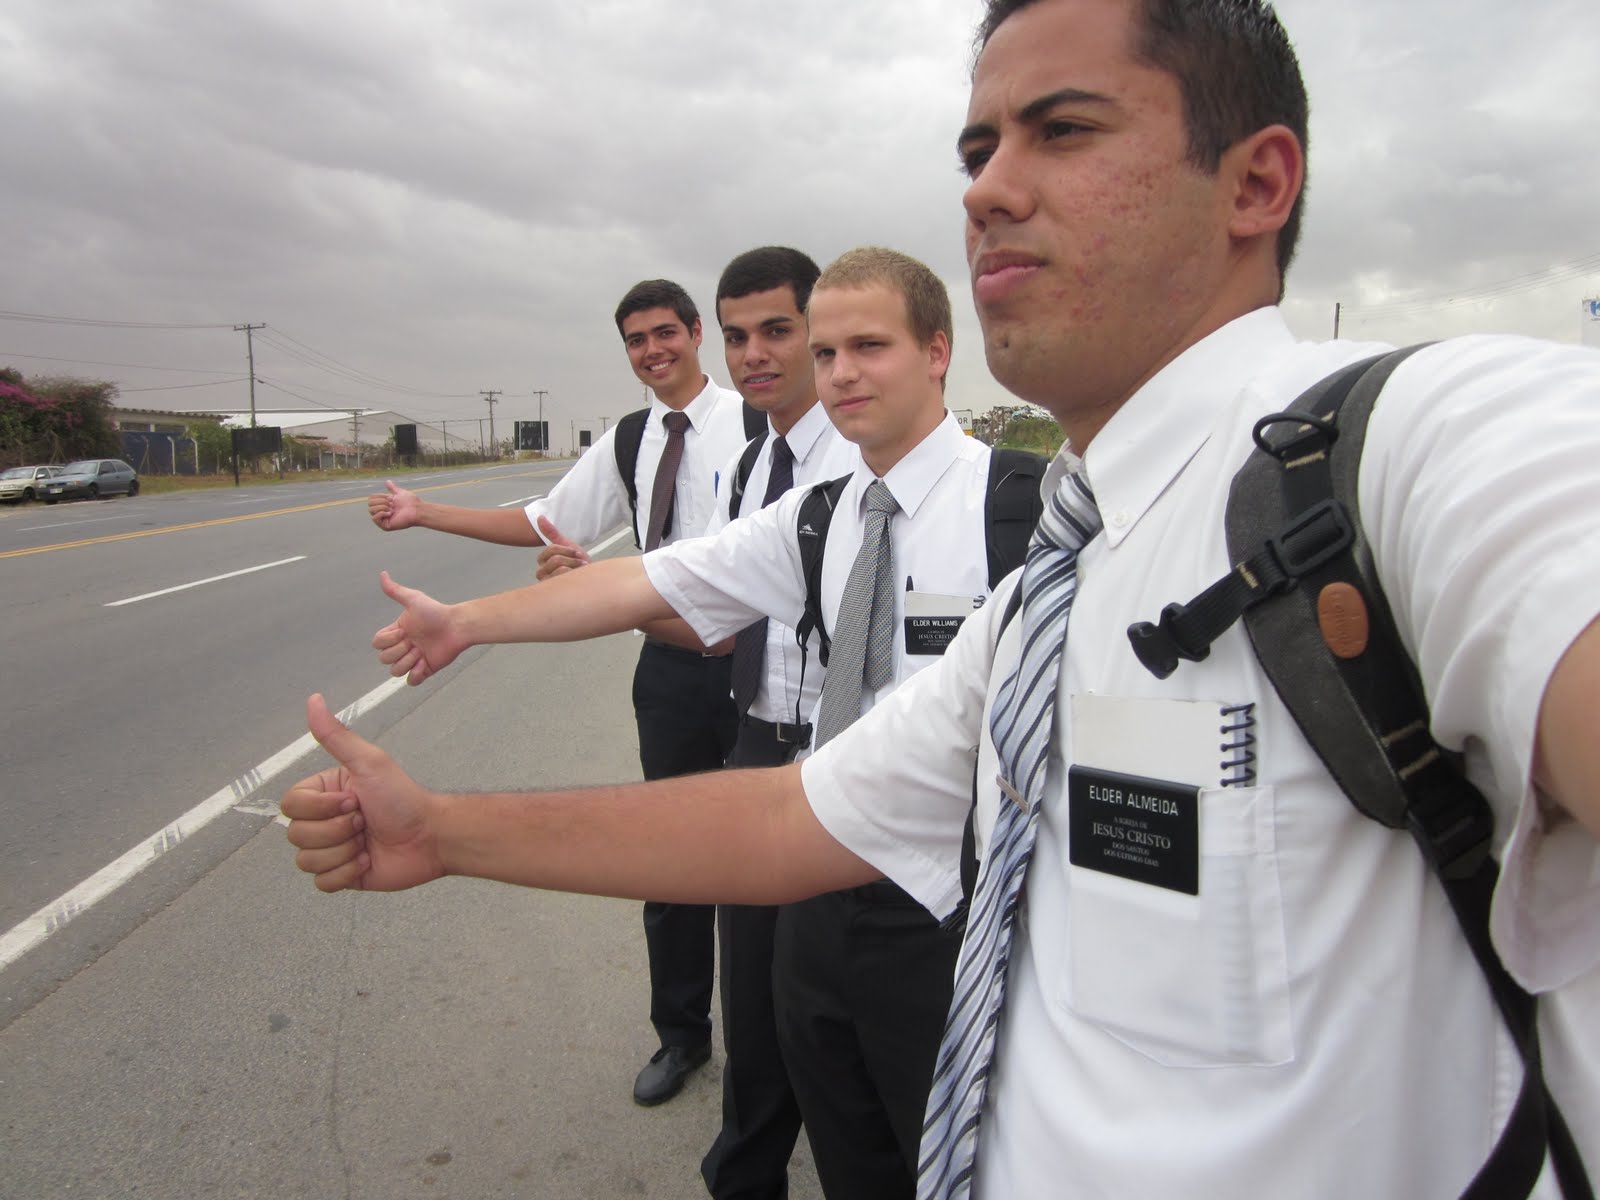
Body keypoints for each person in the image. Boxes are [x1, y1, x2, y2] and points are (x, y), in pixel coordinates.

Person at [289, 1, 1600, 1197]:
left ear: (1255, 183)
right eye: (976, 150)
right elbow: (789, 813)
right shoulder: (1054, 591)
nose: (987, 190)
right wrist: (442, 829)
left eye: (1062, 130)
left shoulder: (1419, 445)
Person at [370, 247, 1028, 1200]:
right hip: (816, 891)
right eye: (829, 352)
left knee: (954, 1166)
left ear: (937, 351)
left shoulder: (1019, 510)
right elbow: (656, 579)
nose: (841, 373)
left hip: (949, 914)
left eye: (869, 347)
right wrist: (466, 623)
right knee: (846, 1151)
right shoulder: (820, 516)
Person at [366, 279, 749, 1107]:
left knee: (761, 858)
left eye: (665, 332)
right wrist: (423, 511)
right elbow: (544, 521)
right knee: (670, 854)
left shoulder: (757, 421)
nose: (653, 350)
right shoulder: (631, 440)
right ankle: (682, 1036)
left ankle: (770, 1056)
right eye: (636, 340)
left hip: (759, 666)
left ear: (696, 333)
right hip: (671, 670)